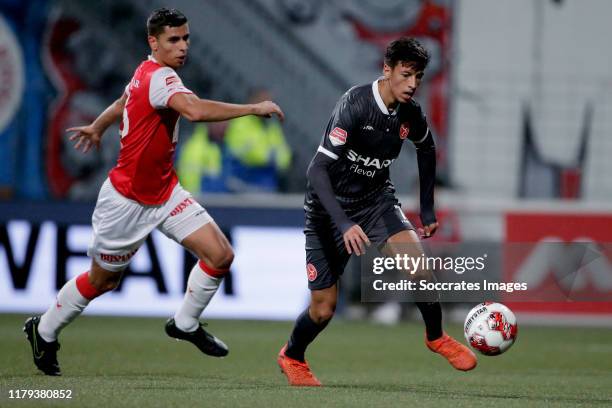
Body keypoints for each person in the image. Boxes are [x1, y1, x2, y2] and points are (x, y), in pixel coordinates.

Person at [23, 8, 284, 376]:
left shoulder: (147, 72)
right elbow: (193, 111)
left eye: (186, 38)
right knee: (103, 281)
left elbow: (122, 102)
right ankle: (44, 329)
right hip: (126, 202)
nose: (182, 47)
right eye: (173, 40)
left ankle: (185, 323)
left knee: (220, 254)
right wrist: (252, 108)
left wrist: (98, 127)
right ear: (154, 42)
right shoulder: (161, 78)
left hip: (165, 193)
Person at [276, 37, 476, 386]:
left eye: (419, 77)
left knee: (420, 269)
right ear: (387, 70)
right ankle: (292, 355)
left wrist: (427, 208)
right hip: (328, 210)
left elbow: (427, 149)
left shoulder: (410, 113)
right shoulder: (354, 105)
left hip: (375, 202)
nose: (413, 84)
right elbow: (316, 171)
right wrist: (343, 222)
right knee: (322, 310)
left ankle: (436, 337)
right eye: (406, 74)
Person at [224, 88, 291, 192]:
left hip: (267, 185)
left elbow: (285, 155)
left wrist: (274, 159)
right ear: (252, 102)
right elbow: (245, 153)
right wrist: (270, 157)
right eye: (264, 102)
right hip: (243, 185)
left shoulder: (272, 126)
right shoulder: (240, 122)